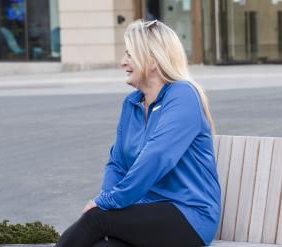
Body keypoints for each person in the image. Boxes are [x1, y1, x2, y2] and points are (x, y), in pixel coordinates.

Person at [55, 20, 220, 247]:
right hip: (145, 213)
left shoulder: (183, 95)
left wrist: (107, 203)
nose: (123, 62)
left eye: (130, 54)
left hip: (188, 215)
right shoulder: (131, 103)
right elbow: (117, 164)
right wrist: (108, 201)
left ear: (152, 60)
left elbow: (157, 157)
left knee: (94, 220)